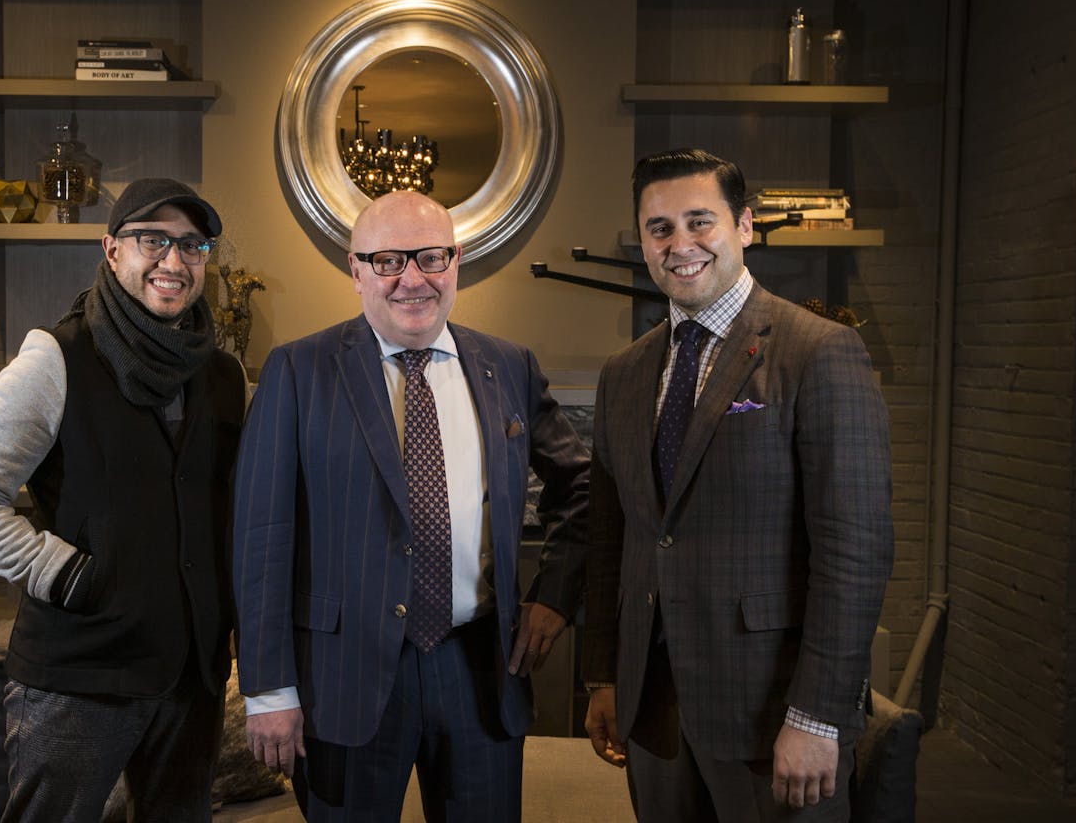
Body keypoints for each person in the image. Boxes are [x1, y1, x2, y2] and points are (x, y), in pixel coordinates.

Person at [232, 190, 590, 821]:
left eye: (430, 257)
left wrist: (555, 595)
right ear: (356, 270)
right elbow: (261, 538)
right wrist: (268, 690)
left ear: (455, 263)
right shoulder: (298, 370)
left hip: (479, 664)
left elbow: (580, 488)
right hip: (344, 675)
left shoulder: (507, 365)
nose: (412, 280)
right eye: (389, 260)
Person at [581, 148, 894, 822]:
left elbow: (855, 555)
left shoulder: (819, 351)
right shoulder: (625, 374)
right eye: (659, 228)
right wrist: (603, 674)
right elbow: (615, 539)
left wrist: (817, 717)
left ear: (745, 226)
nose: (680, 244)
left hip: (771, 714)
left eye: (701, 222)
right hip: (655, 711)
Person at [0, 178, 247, 821]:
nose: (174, 260)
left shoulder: (221, 373)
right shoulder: (54, 359)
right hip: (82, 674)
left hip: (192, 675)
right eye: (151, 240)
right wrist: (67, 573)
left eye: (193, 245)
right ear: (112, 251)